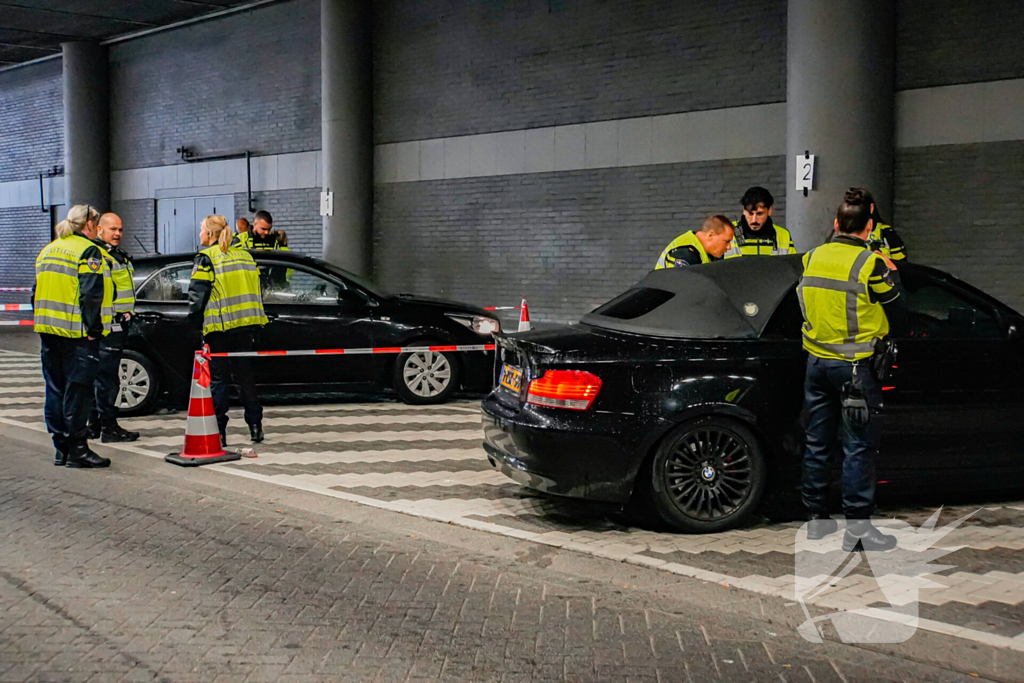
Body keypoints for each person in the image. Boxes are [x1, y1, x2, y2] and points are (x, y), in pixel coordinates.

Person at [797, 188, 902, 552]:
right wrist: (891, 270)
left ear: (836, 223)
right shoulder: (869, 263)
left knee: (818, 441)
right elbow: (896, 302)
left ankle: (816, 521)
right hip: (855, 368)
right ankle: (858, 529)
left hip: (816, 364)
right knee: (858, 446)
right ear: (869, 226)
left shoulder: (812, 257)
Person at [33, 204, 114, 469]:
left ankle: (62, 449)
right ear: (89, 224)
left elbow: (36, 292)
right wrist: (93, 331)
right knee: (78, 393)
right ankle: (78, 450)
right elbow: (91, 294)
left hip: (48, 331)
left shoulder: (49, 250)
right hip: (76, 334)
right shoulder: (88, 251)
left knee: (55, 390)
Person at [188, 215, 269, 445]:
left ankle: (219, 432)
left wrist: (194, 326)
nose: (200, 234)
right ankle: (255, 427)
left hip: (219, 328)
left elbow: (197, 297)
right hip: (246, 326)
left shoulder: (206, 258)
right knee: (245, 378)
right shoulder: (245, 256)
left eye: (201, 230)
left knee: (219, 381)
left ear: (210, 233)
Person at [87, 213, 140, 443]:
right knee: (107, 380)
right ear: (99, 229)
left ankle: (95, 426)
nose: (118, 233)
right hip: (108, 327)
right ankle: (108, 428)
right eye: (112, 229)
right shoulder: (98, 256)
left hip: (117, 324)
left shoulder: (116, 255)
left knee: (103, 379)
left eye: (120, 229)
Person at [724, 186, 797, 257]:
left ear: (770, 211)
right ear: (744, 211)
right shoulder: (727, 231)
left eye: (759, 214)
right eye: (750, 213)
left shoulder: (783, 235)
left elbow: (793, 263)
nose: (754, 220)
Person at [654, 215, 735, 269]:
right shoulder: (685, 253)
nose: (729, 247)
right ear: (711, 234)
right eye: (726, 241)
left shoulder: (704, 252)